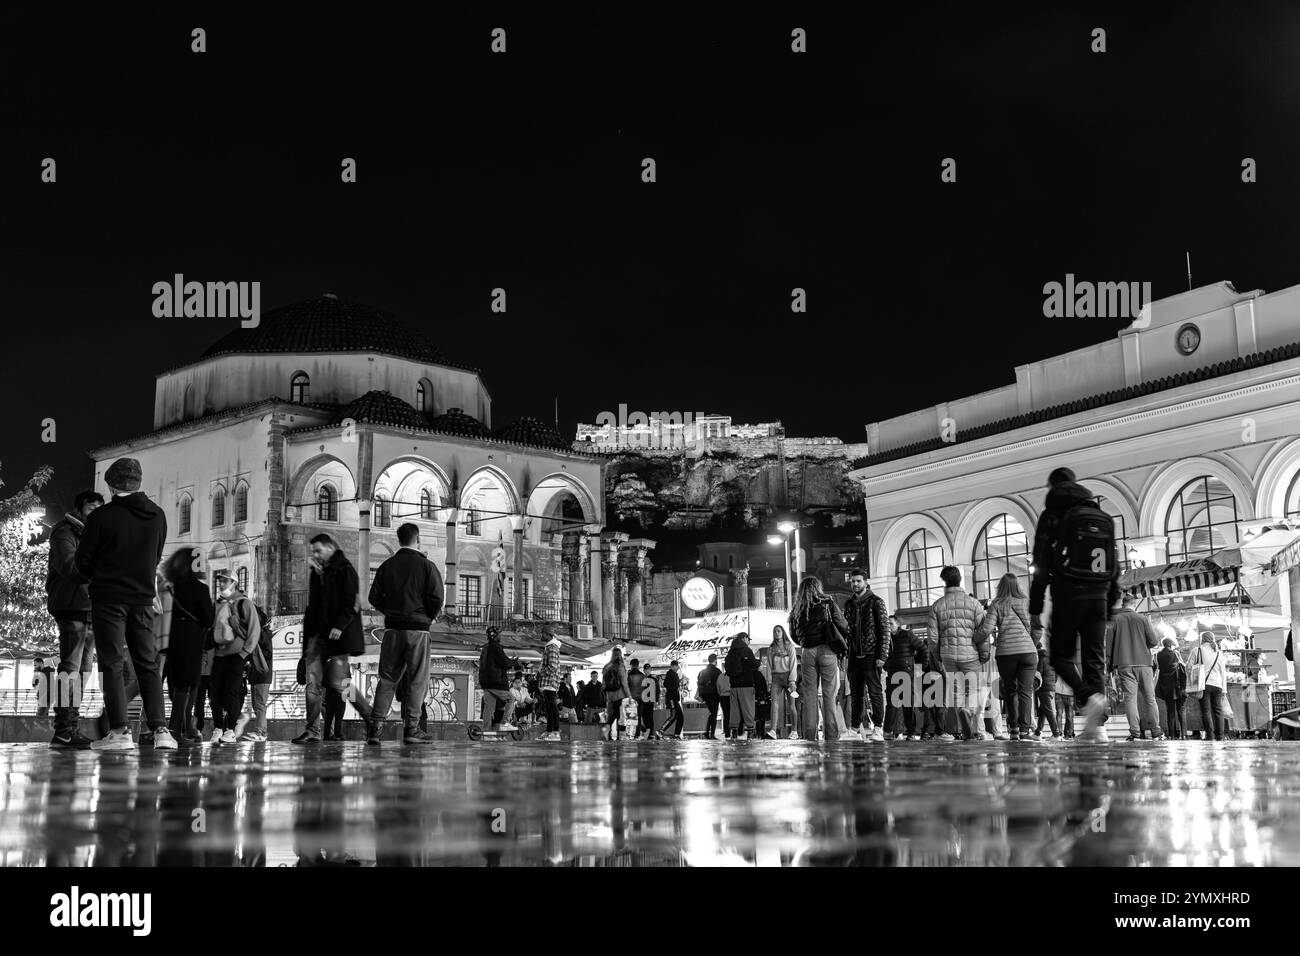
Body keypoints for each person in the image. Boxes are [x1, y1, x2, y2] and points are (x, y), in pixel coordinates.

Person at [72, 457, 174, 751]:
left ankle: (119, 732)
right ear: (139, 482)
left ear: (111, 484)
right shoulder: (158, 515)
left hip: (109, 599)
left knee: (112, 663)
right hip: (142, 600)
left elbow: (82, 563)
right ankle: (161, 731)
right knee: (148, 665)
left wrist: (98, 573)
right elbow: (155, 556)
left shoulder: (101, 517)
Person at [1028, 467, 1121, 744]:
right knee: (1095, 661)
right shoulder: (1101, 515)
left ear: (1052, 486)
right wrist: (1111, 599)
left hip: (1069, 595)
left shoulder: (1053, 515)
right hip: (1099, 595)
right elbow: (1114, 563)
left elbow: (1041, 562)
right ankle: (1098, 729)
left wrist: (1035, 606)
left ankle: (1089, 698)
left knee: (1060, 657)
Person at [364, 522, 443, 746]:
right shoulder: (427, 566)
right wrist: (426, 616)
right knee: (417, 680)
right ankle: (412, 729)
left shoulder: (387, 566)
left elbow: (373, 597)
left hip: (392, 630)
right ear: (417, 539)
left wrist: (391, 611)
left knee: (387, 679)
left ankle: (375, 730)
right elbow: (437, 597)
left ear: (399, 540)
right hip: (418, 630)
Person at [46, 490, 104, 747]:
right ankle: (62, 729)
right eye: (92, 509)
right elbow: (69, 566)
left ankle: (72, 726)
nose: (95, 514)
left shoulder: (93, 536)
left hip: (90, 607)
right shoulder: (64, 532)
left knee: (84, 669)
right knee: (70, 667)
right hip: (71, 605)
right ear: (80, 509)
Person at [295, 533, 365, 744]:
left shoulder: (345, 569)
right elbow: (315, 605)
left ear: (330, 548)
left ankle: (371, 718)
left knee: (341, 685)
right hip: (317, 638)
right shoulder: (319, 572)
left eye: (318, 550)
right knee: (312, 684)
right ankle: (312, 730)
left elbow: (351, 603)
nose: (315, 554)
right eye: (313, 551)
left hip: (336, 639)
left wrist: (339, 626)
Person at [927, 566, 989, 741]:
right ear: (960, 579)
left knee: (957, 692)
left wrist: (939, 655)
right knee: (975, 689)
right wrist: (984, 654)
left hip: (948, 655)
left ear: (944, 582)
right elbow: (983, 632)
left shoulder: (937, 605)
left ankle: (966, 729)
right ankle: (968, 711)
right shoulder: (974, 604)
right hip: (971, 654)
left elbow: (932, 637)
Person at [160, 548, 213, 745]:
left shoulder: (170, 587)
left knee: (176, 686)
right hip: (191, 639)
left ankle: (184, 727)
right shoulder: (199, 589)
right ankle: (176, 730)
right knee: (189, 685)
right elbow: (209, 618)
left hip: (169, 639)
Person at [977, 573, 1038, 741]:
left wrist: (973, 640)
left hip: (1006, 653)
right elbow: (1037, 627)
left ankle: (1013, 730)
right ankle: (1025, 731)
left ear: (1001, 587)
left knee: (1010, 691)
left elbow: (986, 629)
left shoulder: (997, 604)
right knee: (1026, 692)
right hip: (1028, 652)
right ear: (1018, 586)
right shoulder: (1027, 602)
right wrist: (1031, 643)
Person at [789, 575, 850, 741]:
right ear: (818, 588)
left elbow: (794, 635)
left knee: (810, 696)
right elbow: (842, 624)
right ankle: (831, 735)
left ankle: (810, 735)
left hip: (808, 651)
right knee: (829, 695)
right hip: (827, 650)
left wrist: (806, 641)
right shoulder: (827, 602)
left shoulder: (797, 609)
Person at [211, 570, 262, 745]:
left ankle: (230, 730)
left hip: (236, 656)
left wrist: (244, 653)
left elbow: (254, 630)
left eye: (225, 581)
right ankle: (219, 727)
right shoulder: (218, 604)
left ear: (234, 582)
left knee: (231, 692)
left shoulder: (244, 603)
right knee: (214, 694)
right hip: (219, 655)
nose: (222, 584)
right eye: (220, 581)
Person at [1106, 595, 1162, 740]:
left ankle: (1135, 733)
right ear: (1134, 605)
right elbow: (1154, 641)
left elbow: (1109, 645)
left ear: (1123, 604)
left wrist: (1110, 665)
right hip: (1144, 663)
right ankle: (1156, 731)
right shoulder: (1142, 619)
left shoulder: (1114, 620)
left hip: (1124, 664)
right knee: (1150, 698)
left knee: (1130, 699)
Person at [844, 569, 889, 742]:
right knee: (855, 695)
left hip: (872, 655)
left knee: (875, 693)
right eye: (853, 581)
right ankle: (855, 730)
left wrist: (882, 655)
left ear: (866, 582)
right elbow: (846, 631)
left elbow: (884, 629)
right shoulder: (849, 604)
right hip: (854, 656)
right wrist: (845, 653)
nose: (855, 584)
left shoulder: (876, 602)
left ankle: (878, 728)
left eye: (858, 581)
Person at [883, 615, 925, 740]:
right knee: (891, 704)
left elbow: (923, 649)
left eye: (891, 623)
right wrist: (887, 666)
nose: (888, 626)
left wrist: (919, 668)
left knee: (907, 705)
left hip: (906, 675)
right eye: (887, 624)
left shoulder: (907, 635)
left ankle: (911, 733)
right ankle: (887, 732)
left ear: (898, 624)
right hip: (892, 675)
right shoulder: (886, 639)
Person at [477, 626, 519, 732]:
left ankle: (486, 731)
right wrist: (513, 662)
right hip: (496, 683)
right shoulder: (496, 647)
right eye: (499, 634)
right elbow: (504, 662)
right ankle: (505, 722)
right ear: (495, 636)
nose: (501, 636)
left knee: (489, 708)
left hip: (485, 684)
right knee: (511, 698)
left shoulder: (485, 648)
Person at [1189, 631, 1227, 741]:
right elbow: (1223, 672)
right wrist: (1224, 689)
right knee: (1218, 711)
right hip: (1218, 685)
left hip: (1203, 685)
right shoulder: (1219, 653)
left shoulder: (1197, 650)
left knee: (1206, 711)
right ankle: (1220, 736)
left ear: (1202, 639)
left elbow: (1188, 667)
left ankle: (1210, 736)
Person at [725, 632, 759, 738]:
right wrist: (758, 663)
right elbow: (753, 664)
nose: (749, 641)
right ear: (744, 638)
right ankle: (750, 730)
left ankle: (734, 730)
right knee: (748, 707)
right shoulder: (746, 650)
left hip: (733, 685)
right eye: (748, 639)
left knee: (734, 709)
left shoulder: (730, 651)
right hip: (746, 684)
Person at [767, 625, 798, 738]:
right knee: (774, 704)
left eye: (779, 631)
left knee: (792, 704)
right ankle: (773, 730)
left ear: (783, 632)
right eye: (775, 631)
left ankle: (794, 731)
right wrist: (769, 682)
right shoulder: (771, 648)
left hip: (788, 678)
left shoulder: (790, 647)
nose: (776, 633)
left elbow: (793, 664)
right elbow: (769, 666)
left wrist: (792, 680)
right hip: (775, 678)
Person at [1155, 637, 1187, 740]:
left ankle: (1171, 735)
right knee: (1181, 710)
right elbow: (1183, 667)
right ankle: (1184, 734)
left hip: (1166, 686)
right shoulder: (1175, 653)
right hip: (1178, 686)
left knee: (1170, 711)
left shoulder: (1158, 655)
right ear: (1171, 644)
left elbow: (1157, 668)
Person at [1033, 640, 1061, 740]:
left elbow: (1038, 673)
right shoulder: (1050, 658)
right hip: (1051, 687)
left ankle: (1056, 734)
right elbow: (1057, 674)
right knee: (1043, 711)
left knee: (1048, 711)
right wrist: (1053, 683)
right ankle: (1038, 732)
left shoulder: (1040, 658)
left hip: (1044, 687)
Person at [538, 632, 563, 741]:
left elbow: (552, 666)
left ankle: (556, 732)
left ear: (548, 635)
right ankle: (549, 731)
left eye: (542, 633)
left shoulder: (552, 647)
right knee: (549, 708)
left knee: (552, 707)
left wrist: (541, 673)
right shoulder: (550, 646)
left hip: (550, 681)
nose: (541, 635)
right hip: (548, 682)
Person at [602, 648, 631, 739]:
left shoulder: (606, 666)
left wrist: (606, 695)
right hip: (619, 695)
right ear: (620, 654)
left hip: (609, 696)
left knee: (612, 714)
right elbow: (624, 683)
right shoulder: (620, 666)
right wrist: (629, 696)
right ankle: (619, 735)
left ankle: (609, 736)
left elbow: (603, 684)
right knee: (620, 716)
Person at [696, 653, 722, 739]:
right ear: (715, 660)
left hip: (705, 695)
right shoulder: (717, 671)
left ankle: (707, 732)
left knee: (711, 713)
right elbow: (720, 683)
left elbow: (698, 683)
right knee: (714, 714)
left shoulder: (702, 672)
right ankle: (711, 734)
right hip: (714, 694)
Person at [661, 660, 685, 738]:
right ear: (672, 666)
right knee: (674, 715)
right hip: (672, 698)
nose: (677, 667)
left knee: (680, 716)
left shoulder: (674, 674)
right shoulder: (671, 674)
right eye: (676, 666)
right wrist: (675, 687)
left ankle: (677, 734)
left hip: (674, 698)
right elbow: (666, 684)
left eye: (677, 666)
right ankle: (661, 730)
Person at [626, 658, 647, 737]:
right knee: (639, 717)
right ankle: (637, 734)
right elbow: (645, 687)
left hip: (631, 699)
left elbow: (626, 687)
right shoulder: (642, 675)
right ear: (638, 665)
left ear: (631, 665)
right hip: (641, 699)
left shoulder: (628, 675)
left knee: (631, 717)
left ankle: (630, 733)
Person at [717, 666, 733, 737]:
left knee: (726, 715)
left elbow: (718, 687)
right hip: (731, 696)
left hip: (722, 697)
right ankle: (734, 731)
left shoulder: (720, 676)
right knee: (732, 714)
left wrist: (720, 694)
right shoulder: (733, 676)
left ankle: (727, 732)